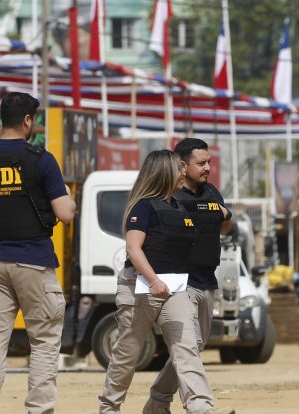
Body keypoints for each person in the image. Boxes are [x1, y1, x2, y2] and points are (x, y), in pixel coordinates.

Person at [0, 92, 76, 414]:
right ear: (27, 120)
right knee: (44, 341)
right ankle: (39, 410)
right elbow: (65, 213)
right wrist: (68, 197)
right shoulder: (41, 159)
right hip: (34, 261)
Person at [98, 150, 231, 414]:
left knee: (187, 349)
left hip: (174, 288)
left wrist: (222, 214)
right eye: (178, 168)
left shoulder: (178, 206)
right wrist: (153, 280)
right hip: (140, 287)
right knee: (128, 354)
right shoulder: (143, 206)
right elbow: (134, 249)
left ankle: (201, 409)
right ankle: (109, 408)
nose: (183, 172)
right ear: (164, 173)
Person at [144, 138, 234, 414]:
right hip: (179, 281)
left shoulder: (211, 192)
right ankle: (199, 407)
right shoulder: (170, 195)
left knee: (195, 346)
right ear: (182, 165)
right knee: (187, 347)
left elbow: (223, 226)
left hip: (207, 278)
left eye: (209, 162)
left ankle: (158, 402)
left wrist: (225, 214)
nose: (208, 168)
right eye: (201, 163)